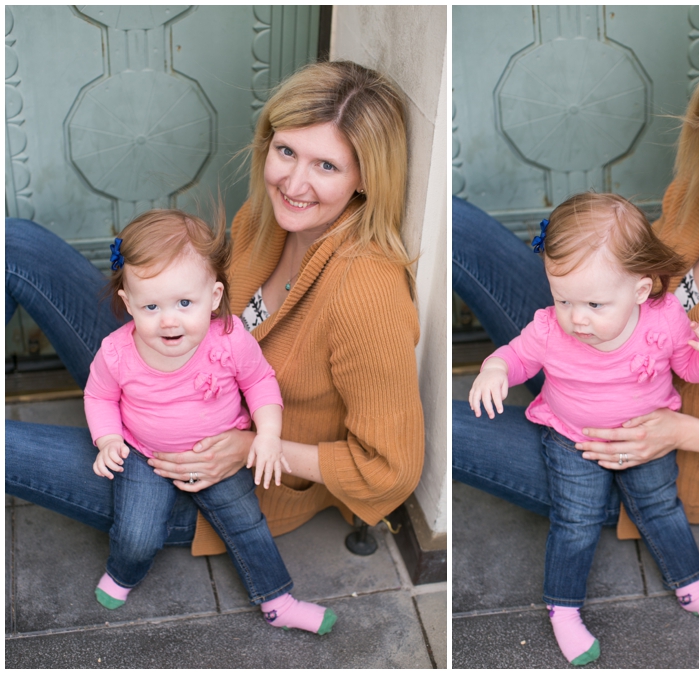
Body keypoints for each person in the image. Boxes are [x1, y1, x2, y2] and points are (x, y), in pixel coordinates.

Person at [453, 33, 699, 649]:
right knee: (457, 226)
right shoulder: (698, 201)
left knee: (438, 426)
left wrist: (677, 432)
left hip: (640, 448)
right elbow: (617, 286)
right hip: (586, 345)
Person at [6, 60, 424, 627]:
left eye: (326, 165)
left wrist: (253, 445)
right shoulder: (269, 217)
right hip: (152, 361)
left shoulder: (367, 294)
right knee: (17, 243)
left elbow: (393, 468)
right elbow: (194, 292)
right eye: (286, 152)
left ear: (365, 177)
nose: (294, 183)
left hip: (194, 471)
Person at [468, 193, 699, 665]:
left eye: (595, 303)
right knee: (574, 525)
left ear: (640, 290)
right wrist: (495, 368)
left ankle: (692, 586)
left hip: (647, 435)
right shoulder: (551, 330)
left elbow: (689, 367)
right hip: (573, 439)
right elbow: (517, 355)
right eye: (563, 299)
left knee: (662, 508)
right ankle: (563, 607)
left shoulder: (664, 321)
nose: (578, 318)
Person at [87, 209, 335, 634]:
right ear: (128, 303)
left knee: (247, 525)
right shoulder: (116, 352)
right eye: (151, 306)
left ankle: (278, 600)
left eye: (185, 303)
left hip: (221, 451)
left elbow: (260, 382)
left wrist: (269, 435)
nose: (169, 320)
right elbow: (99, 396)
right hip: (147, 456)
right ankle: (123, 572)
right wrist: (108, 439)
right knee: (137, 532)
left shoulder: (229, 337)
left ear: (214, 297)